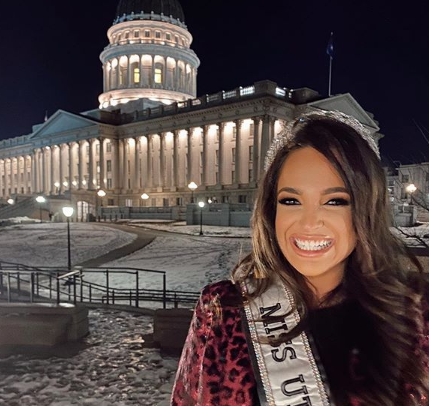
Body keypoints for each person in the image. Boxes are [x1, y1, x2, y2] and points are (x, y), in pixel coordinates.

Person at [170, 110, 429, 406]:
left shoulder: (417, 312)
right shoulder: (224, 309)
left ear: (367, 209)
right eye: (291, 200)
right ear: (271, 210)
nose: (308, 222)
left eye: (335, 201)